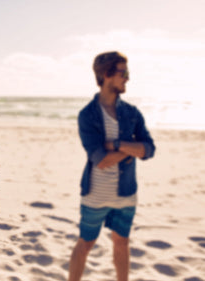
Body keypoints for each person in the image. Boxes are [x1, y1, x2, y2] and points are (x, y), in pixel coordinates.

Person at [67, 51, 155, 281]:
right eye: (123, 72)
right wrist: (130, 150)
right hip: (95, 194)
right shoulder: (87, 115)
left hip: (126, 193)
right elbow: (100, 160)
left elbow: (149, 149)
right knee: (85, 243)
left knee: (122, 242)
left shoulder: (132, 113)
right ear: (107, 74)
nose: (127, 78)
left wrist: (116, 144)